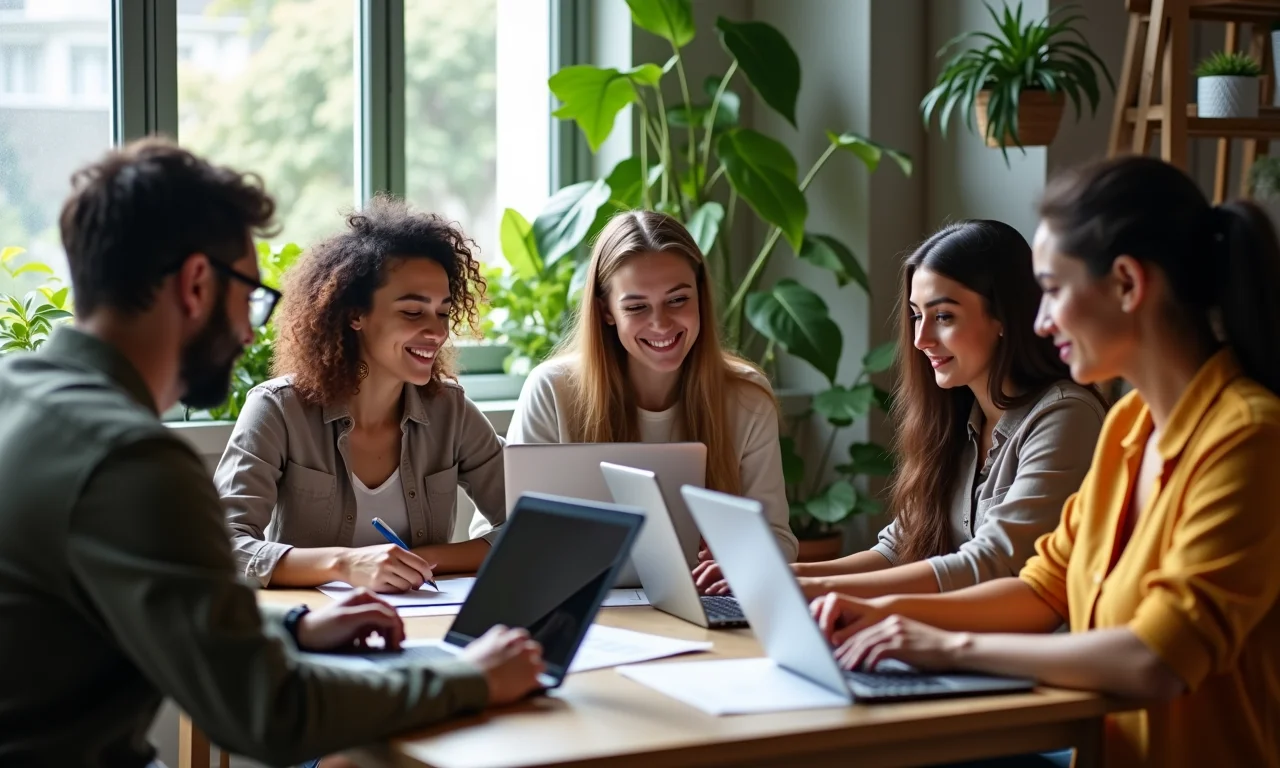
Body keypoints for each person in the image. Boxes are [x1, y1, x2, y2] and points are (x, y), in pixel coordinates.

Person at [0, 138, 544, 768]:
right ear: (197, 284)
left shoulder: (19, 395)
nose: (250, 329)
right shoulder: (132, 461)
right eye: (249, 295)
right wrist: (471, 679)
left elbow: (171, 612)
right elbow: (271, 712)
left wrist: (291, 627)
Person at [812, 156, 1280, 768]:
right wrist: (877, 614)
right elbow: (1040, 590)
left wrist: (946, 645)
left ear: (1127, 284)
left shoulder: (1248, 437)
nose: (1039, 321)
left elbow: (1156, 660)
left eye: (1053, 291)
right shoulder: (1128, 426)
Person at [791, 220, 1106, 601]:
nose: (920, 339)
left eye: (943, 316)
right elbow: (897, 548)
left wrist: (819, 588)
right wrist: (792, 575)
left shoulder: (1065, 416)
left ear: (1003, 317)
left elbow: (992, 562)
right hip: (946, 633)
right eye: (916, 315)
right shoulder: (954, 418)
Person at [480, 210, 799, 576]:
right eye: (636, 307)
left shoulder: (746, 397)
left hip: (701, 597)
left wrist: (737, 559)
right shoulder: (552, 390)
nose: (661, 323)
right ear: (606, 311)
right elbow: (507, 536)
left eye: (677, 300)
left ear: (700, 295)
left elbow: (780, 540)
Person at [216, 195, 505, 592]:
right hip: (314, 622)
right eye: (412, 311)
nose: (437, 332)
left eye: (443, 312)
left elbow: (533, 526)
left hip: (425, 617)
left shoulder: (451, 412)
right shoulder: (278, 409)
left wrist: (416, 562)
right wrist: (345, 565)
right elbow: (223, 547)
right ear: (355, 315)